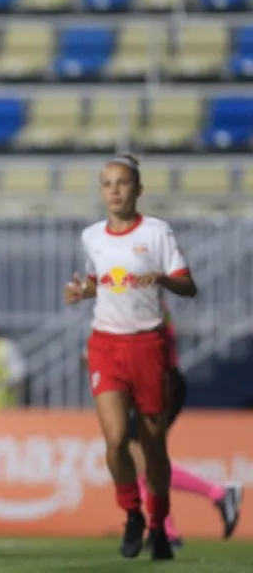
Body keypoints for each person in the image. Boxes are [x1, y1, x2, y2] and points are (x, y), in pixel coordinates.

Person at [64, 154, 198, 561]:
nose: (115, 190)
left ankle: (158, 523)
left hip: (149, 346)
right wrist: (80, 290)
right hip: (106, 344)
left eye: (122, 183)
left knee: (154, 445)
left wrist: (161, 278)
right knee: (117, 440)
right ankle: (132, 514)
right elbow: (98, 281)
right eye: (108, 184)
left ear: (138, 189)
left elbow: (188, 285)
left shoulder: (157, 233)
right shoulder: (92, 237)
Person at [125, 302, 243, 548]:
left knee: (138, 460)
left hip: (161, 384)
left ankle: (169, 528)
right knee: (143, 463)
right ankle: (172, 527)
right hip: (160, 384)